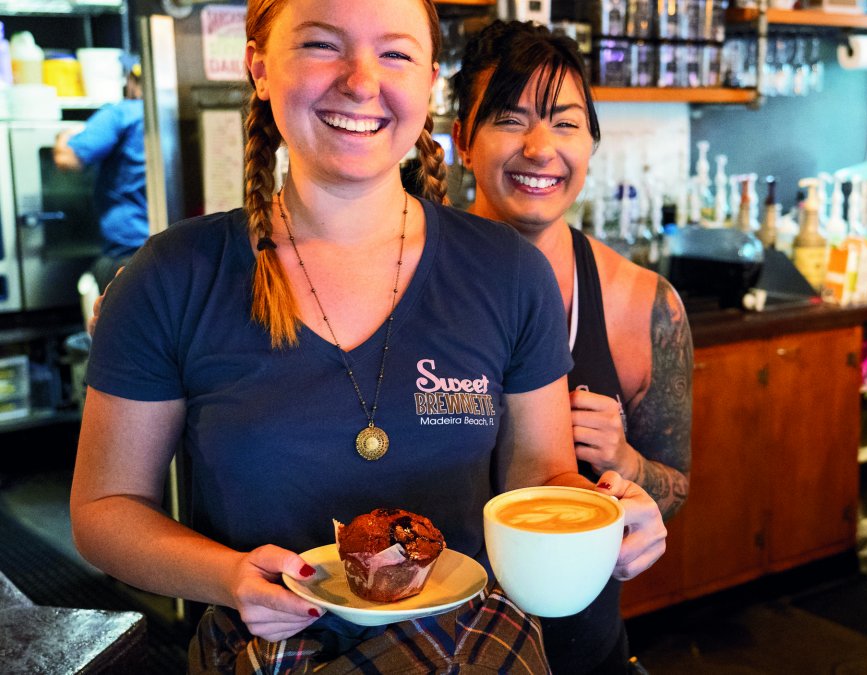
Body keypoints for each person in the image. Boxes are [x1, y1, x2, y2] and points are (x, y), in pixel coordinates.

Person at [69, 1, 665, 672]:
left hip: (470, 650)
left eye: (395, 53)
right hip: (265, 653)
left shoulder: (508, 272)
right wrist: (228, 574)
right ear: (259, 66)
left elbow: (539, 476)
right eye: (323, 45)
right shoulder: (171, 277)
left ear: (431, 82)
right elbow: (104, 507)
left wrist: (606, 513)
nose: (360, 80)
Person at [450, 21, 693, 674]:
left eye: (564, 122)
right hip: (426, 648)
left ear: (591, 142)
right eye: (508, 118)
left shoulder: (641, 303)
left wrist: (625, 465)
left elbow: (675, 484)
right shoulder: (401, 280)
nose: (540, 148)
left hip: (581, 650)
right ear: (461, 141)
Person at [53, 59, 148, 290]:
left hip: (128, 253)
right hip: (177, 246)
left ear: (132, 83)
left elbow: (67, 158)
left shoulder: (123, 113)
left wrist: (64, 135)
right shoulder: (170, 113)